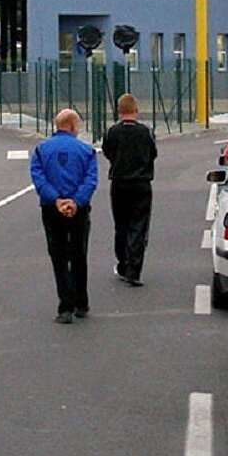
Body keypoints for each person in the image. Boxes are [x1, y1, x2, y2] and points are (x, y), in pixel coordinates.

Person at [30, 108, 99, 324]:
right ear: (72, 126)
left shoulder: (41, 150)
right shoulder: (86, 151)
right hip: (78, 208)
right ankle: (81, 301)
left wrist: (56, 200)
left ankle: (65, 306)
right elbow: (90, 180)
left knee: (58, 255)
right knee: (79, 253)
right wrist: (75, 201)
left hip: (52, 208)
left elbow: (38, 177)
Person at [102, 93, 158, 287]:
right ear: (136, 110)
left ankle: (123, 263)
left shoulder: (111, 132)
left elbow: (108, 153)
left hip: (119, 183)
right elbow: (153, 154)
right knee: (139, 226)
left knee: (121, 225)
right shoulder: (146, 132)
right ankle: (134, 269)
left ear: (119, 111)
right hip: (141, 183)